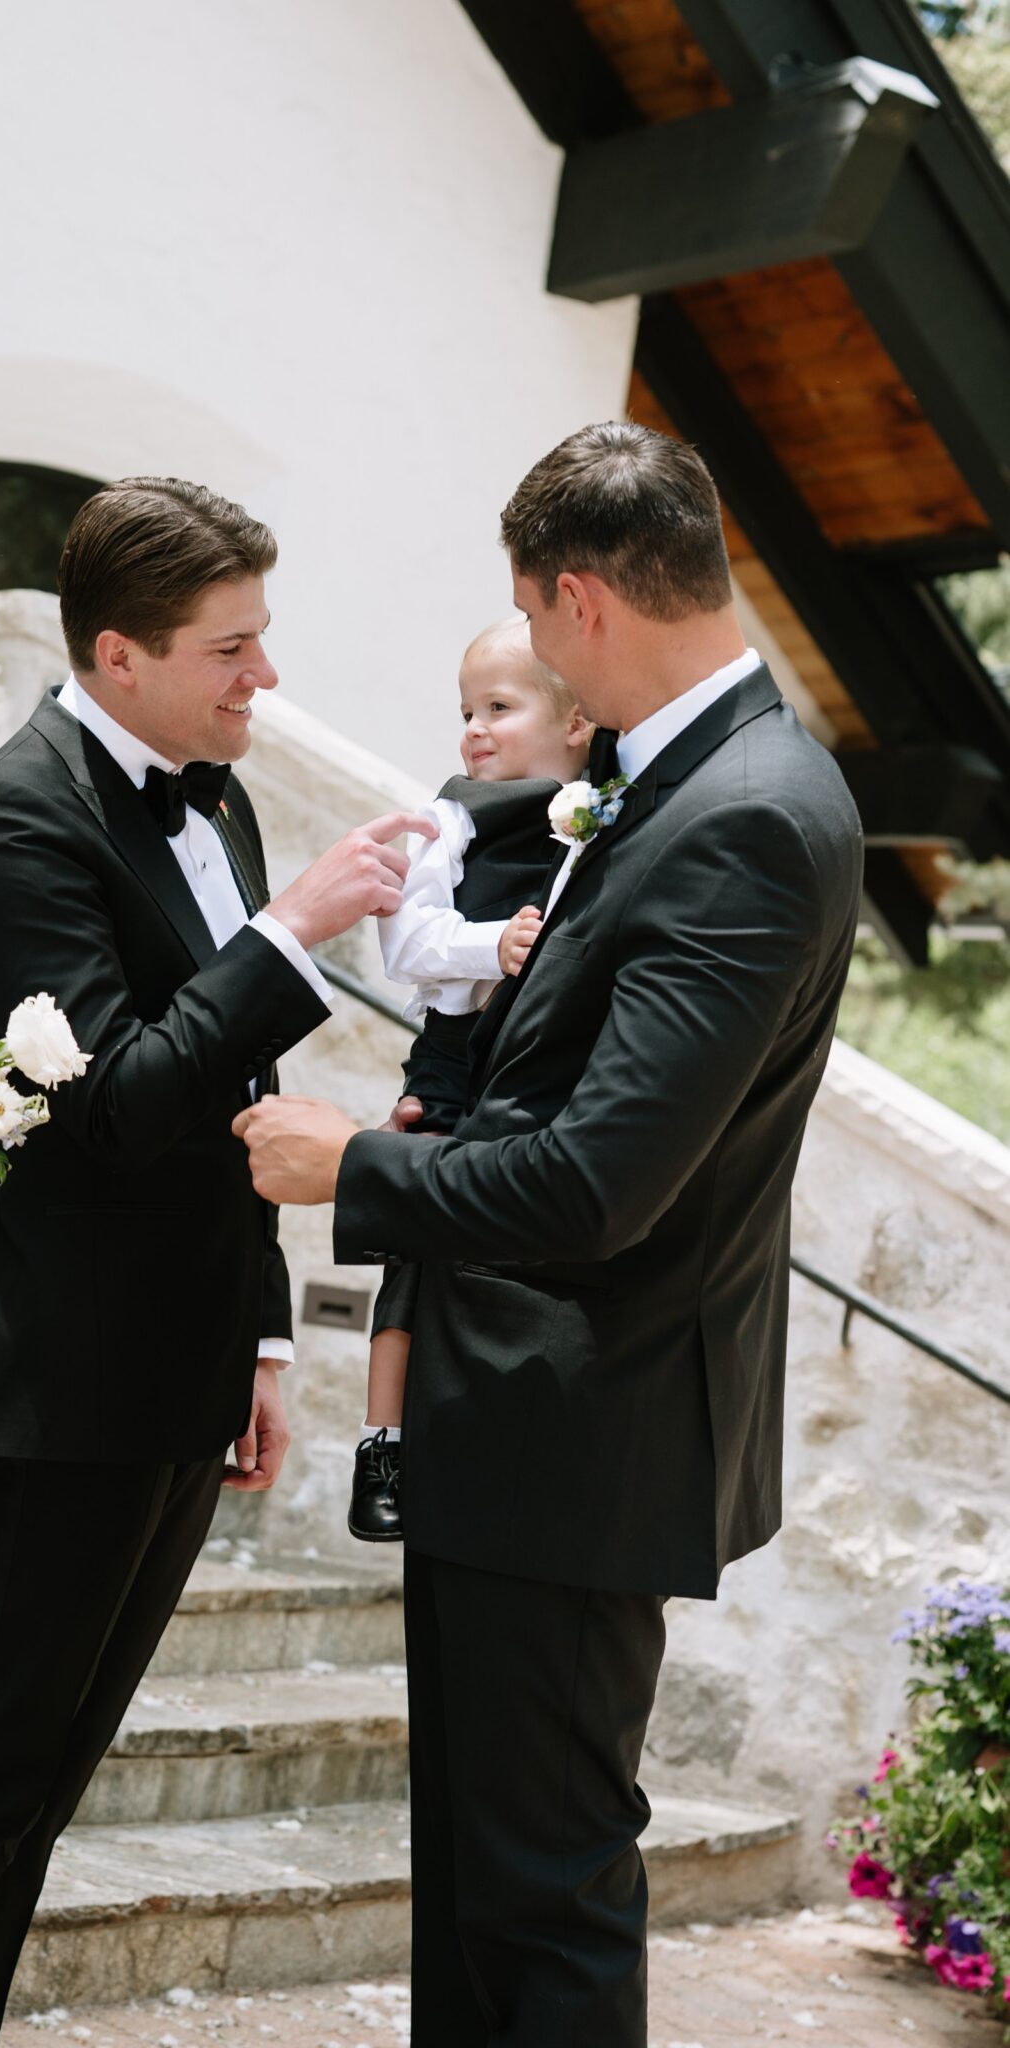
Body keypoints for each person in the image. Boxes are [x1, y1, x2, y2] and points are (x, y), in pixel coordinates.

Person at [235, 422, 862, 2048]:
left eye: (522, 615)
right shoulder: (665, 776)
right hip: (516, 1415)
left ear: (577, 600)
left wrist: (358, 1160)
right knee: (484, 1889)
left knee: (554, 1904)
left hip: (581, 1421)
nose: (514, 648)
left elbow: (600, 1175)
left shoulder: (748, 816)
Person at [0, 475, 433, 2048]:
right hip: (62, 1365)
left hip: (183, 1349)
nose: (264, 677)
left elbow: (233, 1096)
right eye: (228, 648)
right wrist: (301, 926)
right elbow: (103, 1109)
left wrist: (261, 1343)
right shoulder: (12, 819)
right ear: (116, 655)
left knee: (53, 1771)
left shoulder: (218, 790)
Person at [351, 617, 589, 1540]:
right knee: (415, 1255)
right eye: (466, 710)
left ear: (574, 723)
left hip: (543, 1072)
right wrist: (491, 942)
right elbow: (405, 942)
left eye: (499, 706)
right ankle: (383, 1442)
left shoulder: (603, 810)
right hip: (456, 1057)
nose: (473, 729)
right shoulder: (453, 817)